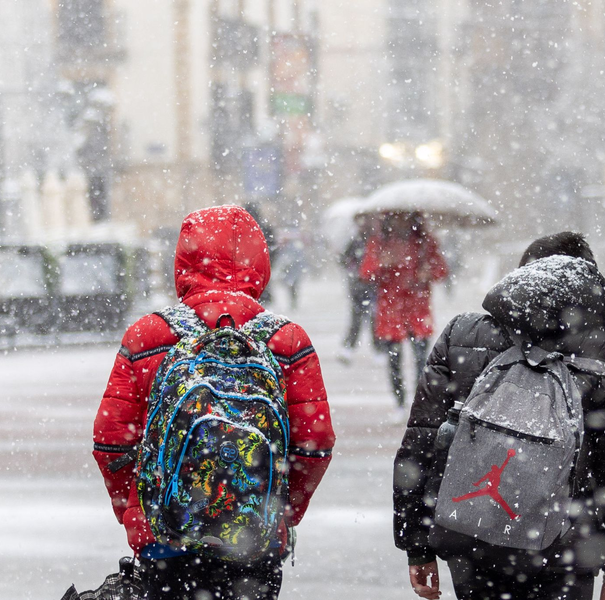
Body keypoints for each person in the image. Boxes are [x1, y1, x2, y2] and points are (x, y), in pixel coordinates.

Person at [393, 232, 605, 600]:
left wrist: (416, 545)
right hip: (566, 545)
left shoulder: (463, 335)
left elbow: (421, 444)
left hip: (472, 533)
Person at [93, 205, 335, 599]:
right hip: (253, 543)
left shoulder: (148, 335)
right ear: (260, 261)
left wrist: (140, 515)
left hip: (166, 540)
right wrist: (276, 512)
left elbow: (110, 442)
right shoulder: (287, 341)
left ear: (183, 259)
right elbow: (316, 444)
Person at [360, 212, 448, 415]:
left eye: (406, 217)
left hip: (418, 310)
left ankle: (420, 402)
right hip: (391, 312)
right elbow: (365, 272)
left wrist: (429, 272)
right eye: (397, 217)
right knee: (394, 362)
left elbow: (441, 270)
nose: (401, 221)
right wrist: (382, 263)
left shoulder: (426, 242)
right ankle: (399, 402)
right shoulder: (379, 242)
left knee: (422, 361)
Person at [337, 220, 379, 363]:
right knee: (360, 318)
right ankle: (350, 347)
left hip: (370, 286)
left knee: (370, 319)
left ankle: (376, 350)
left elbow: (343, 260)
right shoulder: (357, 241)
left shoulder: (373, 242)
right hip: (360, 286)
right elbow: (343, 260)